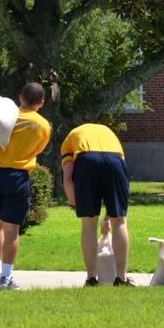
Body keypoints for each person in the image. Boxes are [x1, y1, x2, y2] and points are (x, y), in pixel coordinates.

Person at [0, 83, 50, 290]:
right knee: (12, 229)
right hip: (18, 176)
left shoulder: (3, 115)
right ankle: (7, 277)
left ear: (20, 97)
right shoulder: (43, 125)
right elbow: (37, 150)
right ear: (41, 103)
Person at [61, 123, 135, 287]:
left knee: (88, 223)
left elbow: (67, 179)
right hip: (115, 159)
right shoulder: (109, 133)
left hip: (86, 160)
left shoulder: (70, 137)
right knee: (120, 220)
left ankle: (91, 278)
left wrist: (74, 205)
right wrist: (110, 214)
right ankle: (121, 278)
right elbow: (115, 173)